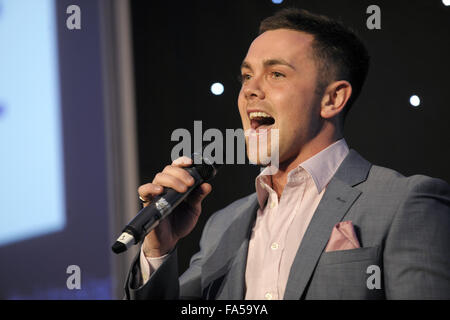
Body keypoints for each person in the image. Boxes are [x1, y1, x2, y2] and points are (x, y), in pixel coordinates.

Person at [124, 8, 450, 299]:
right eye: (247, 76)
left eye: (276, 73)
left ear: (332, 99)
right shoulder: (224, 224)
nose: (249, 89)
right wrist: (159, 249)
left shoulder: (406, 201)